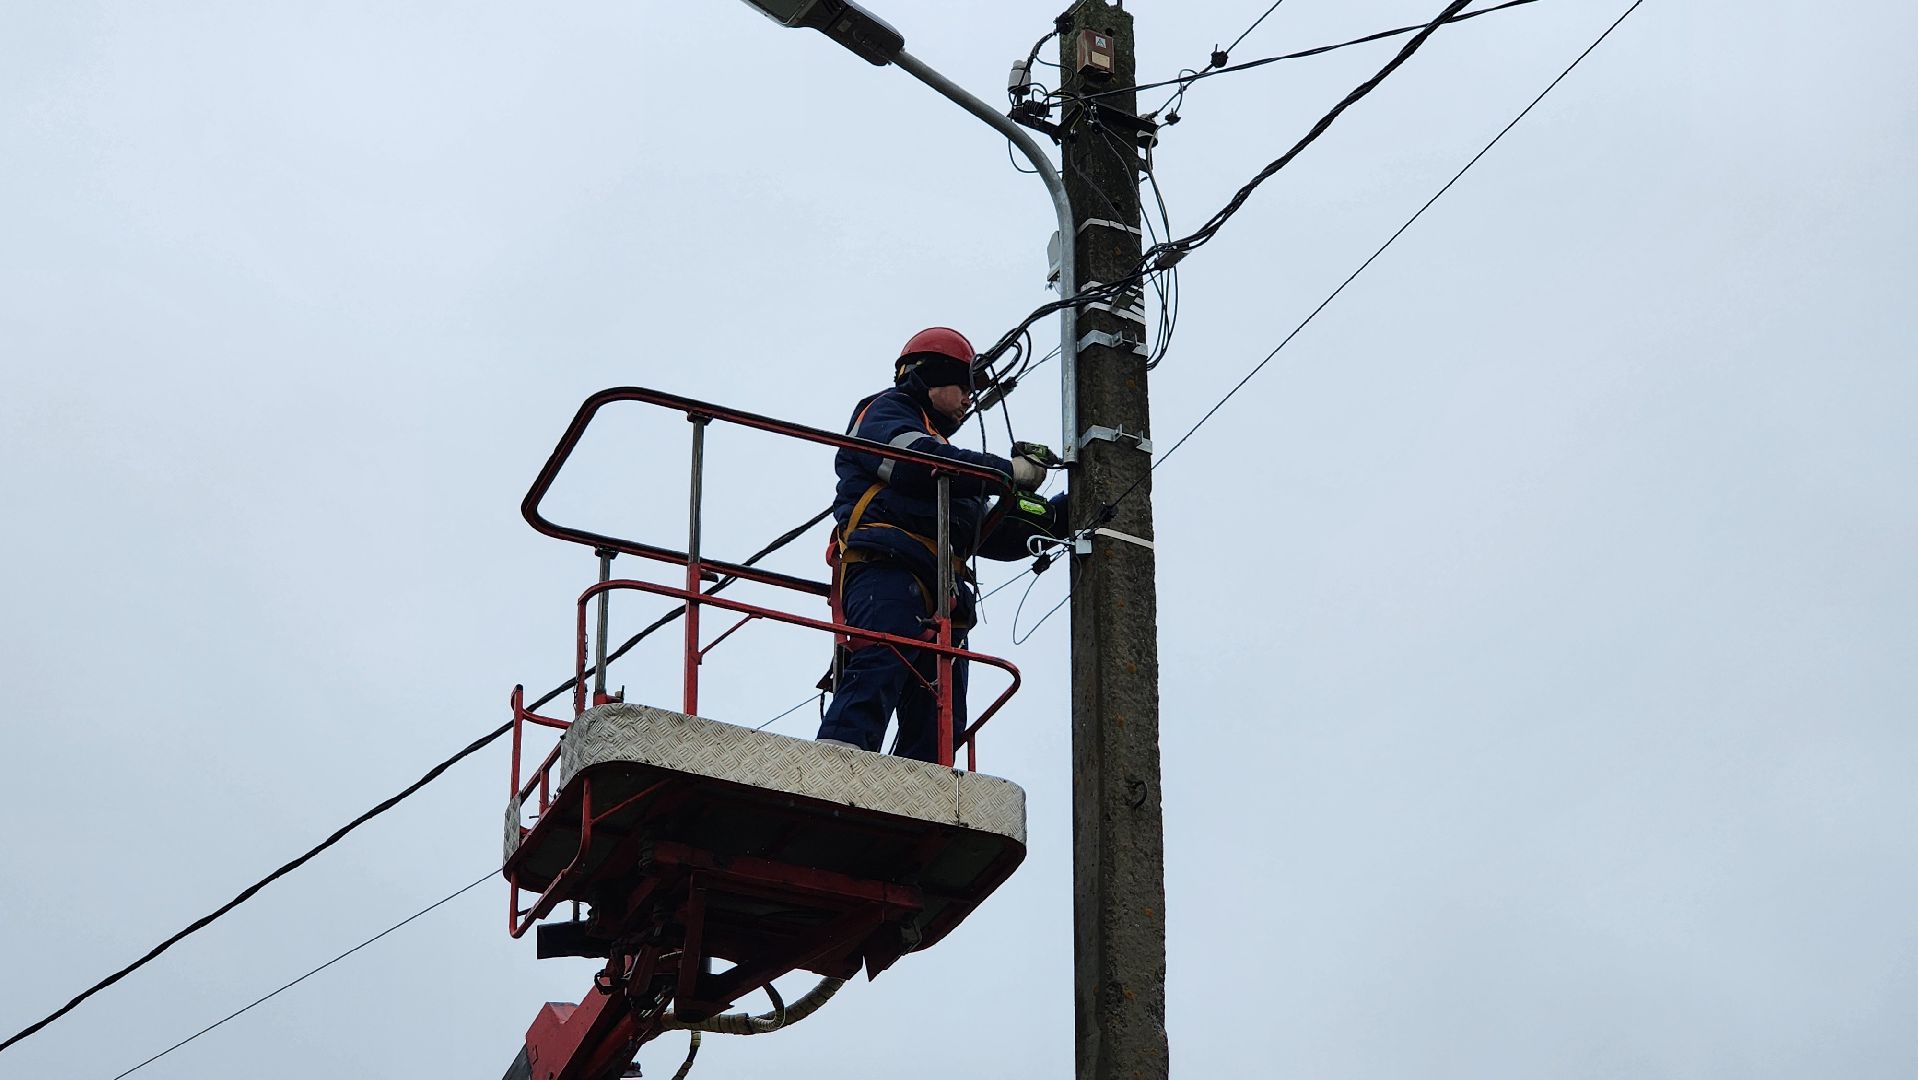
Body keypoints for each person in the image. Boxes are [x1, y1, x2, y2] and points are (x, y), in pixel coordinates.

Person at [816, 326, 1065, 761]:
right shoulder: (885, 412)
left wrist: (1061, 513)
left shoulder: (950, 466)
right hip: (886, 568)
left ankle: (924, 788)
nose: (970, 398)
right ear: (930, 377)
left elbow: (986, 532)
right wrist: (1006, 471)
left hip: (940, 594)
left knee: (941, 713)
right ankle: (834, 767)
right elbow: (915, 462)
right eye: (964, 386)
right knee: (880, 665)